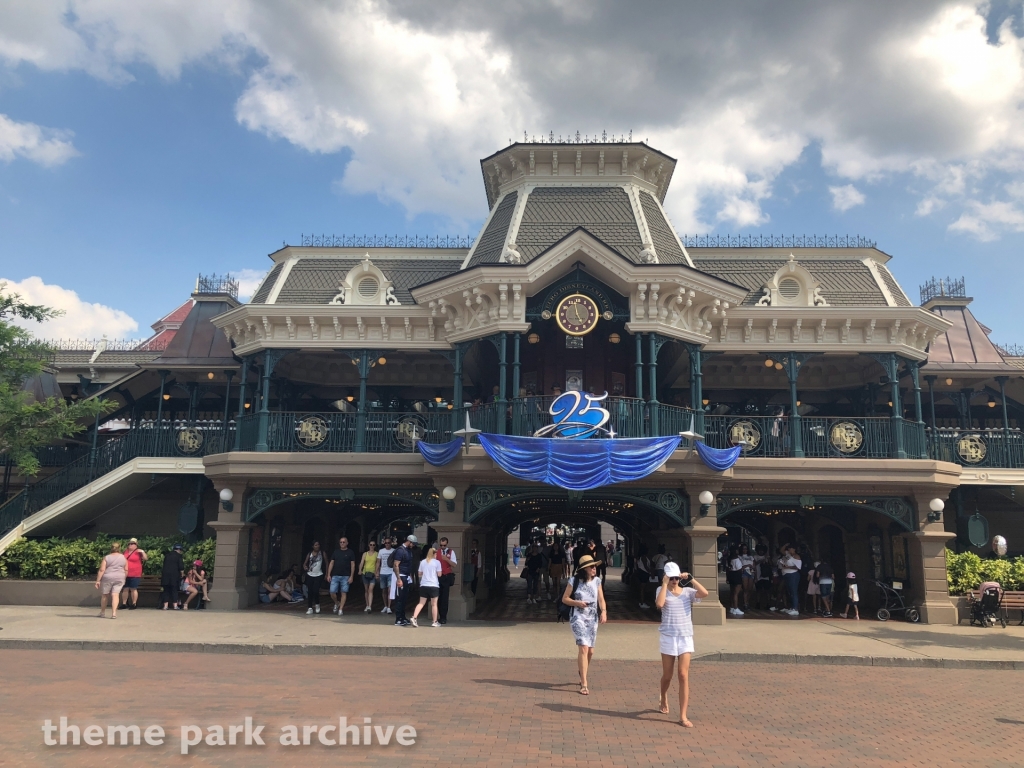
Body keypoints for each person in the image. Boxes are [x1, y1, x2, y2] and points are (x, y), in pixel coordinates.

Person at [656, 561, 708, 728]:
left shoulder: (687, 592)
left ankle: (683, 715)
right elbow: (660, 604)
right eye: (671, 578)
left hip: (685, 636)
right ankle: (663, 696)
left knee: (683, 675)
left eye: (676, 578)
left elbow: (704, 593)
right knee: (667, 675)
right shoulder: (661, 590)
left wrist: (691, 579)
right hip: (668, 637)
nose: (674, 581)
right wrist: (664, 584)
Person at [562, 554, 607, 696]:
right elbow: (565, 598)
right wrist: (577, 603)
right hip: (578, 617)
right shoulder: (574, 580)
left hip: (592, 618)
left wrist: (604, 611)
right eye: (592, 566)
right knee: (583, 647)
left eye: (595, 566)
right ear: (585, 568)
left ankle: (583, 669)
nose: (595, 568)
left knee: (591, 651)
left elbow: (601, 598)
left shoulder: (597, 581)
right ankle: (584, 682)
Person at [411, 546, 443, 627]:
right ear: (434, 554)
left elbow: (419, 573)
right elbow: (439, 574)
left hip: (424, 585)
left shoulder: (423, 562)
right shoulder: (437, 562)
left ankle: (414, 617)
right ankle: (434, 621)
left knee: (421, 603)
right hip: (433, 585)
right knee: (434, 604)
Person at [95, 541, 127, 619]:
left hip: (108, 577)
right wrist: (124, 578)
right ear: (119, 548)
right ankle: (114, 613)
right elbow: (126, 569)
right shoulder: (123, 557)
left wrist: (98, 580)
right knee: (115, 595)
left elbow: (102, 570)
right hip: (120, 577)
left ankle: (102, 612)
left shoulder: (107, 557)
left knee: (105, 595)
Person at [327, 536, 356, 617]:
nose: (342, 543)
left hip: (346, 576)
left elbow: (353, 564)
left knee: (344, 592)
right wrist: (329, 574)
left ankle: (340, 609)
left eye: (344, 542)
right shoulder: (336, 552)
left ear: (347, 543)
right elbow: (331, 563)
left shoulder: (350, 552)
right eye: (341, 542)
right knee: (332, 592)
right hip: (335, 575)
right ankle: (337, 603)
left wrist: (351, 576)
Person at [392, 534, 417, 626]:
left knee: (404, 598)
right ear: (409, 541)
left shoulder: (408, 550)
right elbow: (396, 565)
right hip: (401, 576)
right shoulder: (400, 551)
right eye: (413, 543)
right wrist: (399, 579)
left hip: (406, 576)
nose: (413, 545)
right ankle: (398, 619)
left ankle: (402, 617)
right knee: (399, 598)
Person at [121, 538, 147, 611]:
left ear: (136, 545)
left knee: (133, 588)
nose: (130, 545)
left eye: (132, 544)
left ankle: (134, 603)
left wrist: (142, 551)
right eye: (129, 543)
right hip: (126, 573)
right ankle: (124, 603)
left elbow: (145, 558)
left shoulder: (138, 552)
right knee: (125, 588)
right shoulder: (125, 552)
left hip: (135, 573)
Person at [436, 537, 458, 624]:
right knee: (438, 597)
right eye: (441, 545)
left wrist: (447, 559)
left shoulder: (451, 552)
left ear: (447, 544)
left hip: (446, 576)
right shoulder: (436, 552)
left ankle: (443, 617)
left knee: (445, 597)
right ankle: (437, 615)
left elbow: (454, 565)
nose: (442, 547)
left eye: (444, 545)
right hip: (438, 576)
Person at [303, 541, 327, 615]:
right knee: (310, 591)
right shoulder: (309, 554)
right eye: (315, 545)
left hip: (319, 574)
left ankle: (317, 604)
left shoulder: (322, 553)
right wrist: (305, 567)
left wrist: (327, 573)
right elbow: (305, 563)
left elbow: (327, 563)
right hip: (310, 574)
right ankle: (309, 607)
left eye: (318, 545)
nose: (317, 546)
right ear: (313, 546)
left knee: (316, 590)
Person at [161, 543, 185, 611]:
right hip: (174, 576)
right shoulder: (179, 556)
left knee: (166, 590)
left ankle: (165, 606)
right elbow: (181, 567)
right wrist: (182, 574)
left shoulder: (167, 555)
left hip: (165, 576)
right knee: (174, 590)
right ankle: (175, 606)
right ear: (179, 550)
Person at [780, 545, 802, 616]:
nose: (789, 550)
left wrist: (788, 567)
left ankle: (795, 609)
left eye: (790, 549)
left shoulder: (796, 556)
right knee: (789, 591)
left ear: (794, 549)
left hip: (793, 575)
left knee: (794, 591)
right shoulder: (787, 554)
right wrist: (786, 544)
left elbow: (798, 567)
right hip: (786, 574)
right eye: (788, 549)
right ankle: (792, 607)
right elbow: (782, 550)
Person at [358, 540, 378, 613]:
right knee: (366, 590)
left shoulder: (376, 554)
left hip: (373, 573)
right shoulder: (365, 554)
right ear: (368, 545)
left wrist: (377, 572)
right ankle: (367, 605)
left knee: (370, 589)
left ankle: (369, 606)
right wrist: (360, 570)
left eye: (373, 545)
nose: (372, 546)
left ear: (375, 546)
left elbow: (378, 564)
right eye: (371, 544)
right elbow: (362, 562)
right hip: (365, 573)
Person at [376, 537, 395, 615]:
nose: (387, 544)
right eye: (386, 543)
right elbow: (378, 562)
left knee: (390, 590)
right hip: (382, 572)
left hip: (391, 572)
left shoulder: (393, 551)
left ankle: (389, 607)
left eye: (389, 543)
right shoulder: (381, 551)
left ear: (391, 543)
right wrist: (376, 571)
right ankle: (385, 605)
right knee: (384, 590)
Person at [727, 546, 745, 616]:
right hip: (737, 575)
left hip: (731, 575)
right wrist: (746, 566)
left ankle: (731, 607)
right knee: (736, 593)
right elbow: (739, 568)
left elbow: (727, 568)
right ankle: (736, 607)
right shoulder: (737, 559)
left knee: (732, 592)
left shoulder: (729, 559)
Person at [754, 545, 773, 610]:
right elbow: (754, 564)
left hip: (766, 576)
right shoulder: (755, 557)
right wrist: (762, 560)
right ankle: (758, 603)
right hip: (758, 576)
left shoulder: (766, 557)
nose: (761, 551)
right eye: (759, 550)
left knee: (767, 591)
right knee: (758, 591)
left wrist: (768, 558)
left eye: (762, 550)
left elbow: (771, 564)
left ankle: (768, 603)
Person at [739, 544, 755, 611]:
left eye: (746, 549)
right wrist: (747, 565)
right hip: (745, 572)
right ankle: (745, 603)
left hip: (751, 572)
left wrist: (752, 567)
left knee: (750, 589)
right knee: (745, 589)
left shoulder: (751, 557)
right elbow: (740, 567)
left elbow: (754, 565)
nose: (745, 550)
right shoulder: (740, 557)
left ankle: (747, 602)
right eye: (743, 549)